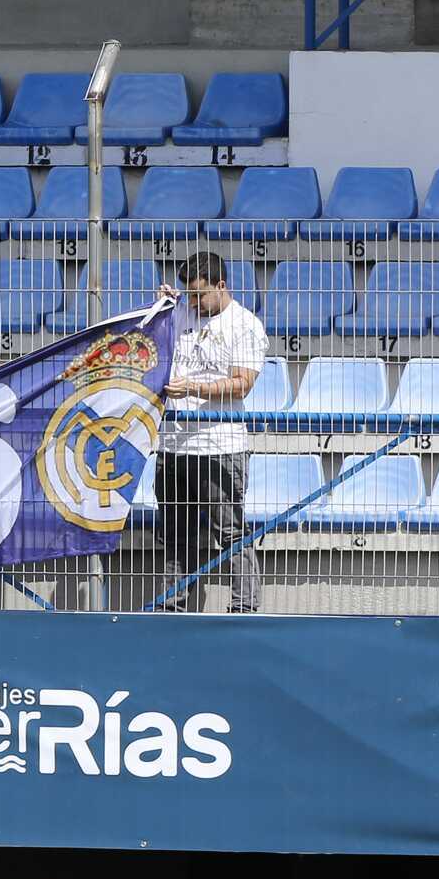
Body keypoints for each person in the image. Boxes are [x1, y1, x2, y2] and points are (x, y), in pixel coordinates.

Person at [154, 252, 268, 614]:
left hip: (220, 446)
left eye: (200, 295)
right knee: (175, 533)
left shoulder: (245, 325)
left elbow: (242, 384)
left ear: (221, 285)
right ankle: (172, 608)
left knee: (230, 531)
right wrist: (158, 310)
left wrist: (193, 388)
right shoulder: (179, 311)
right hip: (173, 445)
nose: (193, 302)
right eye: (189, 295)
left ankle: (244, 608)